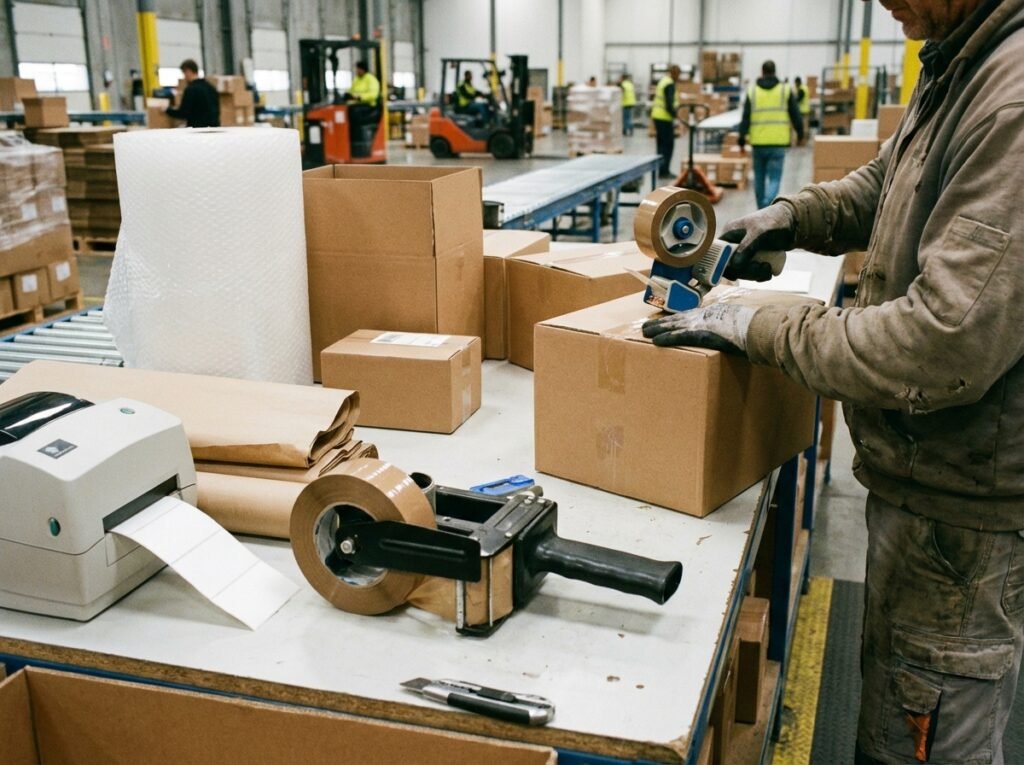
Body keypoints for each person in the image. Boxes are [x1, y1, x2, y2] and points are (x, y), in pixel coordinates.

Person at [643, 0, 1024, 762]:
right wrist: (789, 218)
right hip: (922, 490)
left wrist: (760, 325)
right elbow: (891, 184)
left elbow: (942, 341)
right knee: (892, 708)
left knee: (921, 732)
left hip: (963, 524)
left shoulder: (1011, 101)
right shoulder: (959, 58)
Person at [737, 60, 804, 208]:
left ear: (762, 72)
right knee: (774, 178)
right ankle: (768, 203)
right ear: (775, 72)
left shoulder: (752, 91)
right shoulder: (785, 90)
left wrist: (741, 139)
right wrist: (800, 133)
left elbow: (745, 117)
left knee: (759, 178)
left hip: (758, 143)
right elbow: (796, 114)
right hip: (778, 143)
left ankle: (761, 208)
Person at [165, 59, 219, 128]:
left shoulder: (191, 90)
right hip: (214, 129)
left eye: (184, 73)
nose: (184, 77)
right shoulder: (210, 87)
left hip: (197, 131)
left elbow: (183, 113)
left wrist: (167, 110)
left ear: (188, 71)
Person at [651, 64, 681, 179]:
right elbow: (669, 104)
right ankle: (664, 171)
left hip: (658, 116)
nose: (678, 77)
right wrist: (676, 118)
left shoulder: (663, 81)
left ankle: (661, 170)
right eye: (678, 74)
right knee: (668, 145)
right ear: (674, 73)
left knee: (661, 145)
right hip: (664, 117)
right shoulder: (669, 84)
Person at [346, 59, 381, 126]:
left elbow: (373, 95)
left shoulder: (371, 79)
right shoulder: (356, 79)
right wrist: (348, 95)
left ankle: (356, 132)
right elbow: (351, 90)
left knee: (354, 111)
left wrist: (360, 97)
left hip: (369, 105)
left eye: (358, 69)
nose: (356, 71)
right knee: (345, 109)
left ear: (362, 69)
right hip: (358, 104)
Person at [793, 75, 811, 145]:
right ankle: (805, 139)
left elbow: (798, 99)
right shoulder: (805, 87)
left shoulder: (801, 89)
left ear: (797, 82)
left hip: (802, 110)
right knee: (805, 125)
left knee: (803, 126)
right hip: (806, 109)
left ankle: (803, 140)